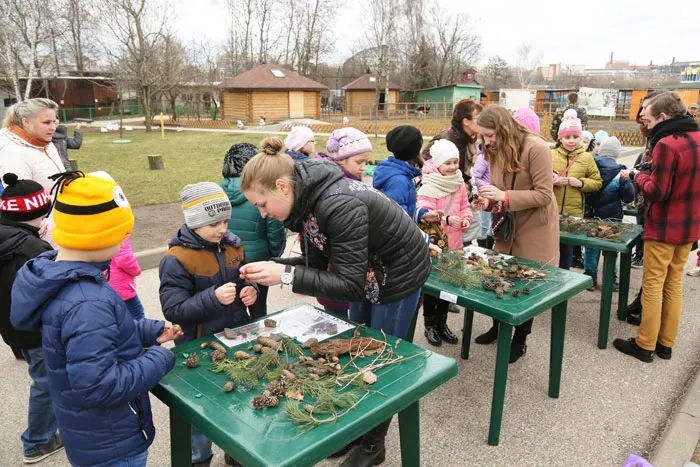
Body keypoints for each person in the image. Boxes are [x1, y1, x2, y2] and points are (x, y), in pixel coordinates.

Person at [238, 137, 432, 467]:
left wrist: (284, 276)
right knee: (356, 350)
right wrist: (278, 267)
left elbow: (349, 285)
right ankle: (358, 428)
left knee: (382, 357)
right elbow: (317, 267)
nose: (262, 214)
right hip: (366, 270)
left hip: (398, 273)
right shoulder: (303, 205)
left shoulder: (338, 205)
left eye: (262, 204)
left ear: (283, 187)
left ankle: (373, 444)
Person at [10, 170, 179, 467]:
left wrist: (148, 331)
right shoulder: (88, 301)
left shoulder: (63, 275)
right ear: (97, 237)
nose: (125, 242)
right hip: (112, 446)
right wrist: (158, 358)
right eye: (122, 235)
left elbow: (96, 335)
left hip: (90, 436)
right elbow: (99, 385)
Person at [159, 181, 257, 467]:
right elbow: (174, 309)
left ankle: (235, 447)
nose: (222, 228)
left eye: (225, 220)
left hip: (236, 337)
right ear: (195, 222)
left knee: (236, 396)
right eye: (213, 222)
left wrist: (250, 291)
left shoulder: (233, 246)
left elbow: (244, 281)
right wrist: (213, 298)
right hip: (198, 345)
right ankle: (198, 458)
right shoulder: (177, 259)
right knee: (200, 405)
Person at [614, 91, 700, 362]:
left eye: (649, 118)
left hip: (664, 226)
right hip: (689, 227)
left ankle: (645, 344)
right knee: (673, 285)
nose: (646, 123)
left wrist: (636, 175)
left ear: (663, 116)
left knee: (653, 285)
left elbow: (658, 191)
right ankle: (665, 344)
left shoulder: (667, 144)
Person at [473, 105, 559, 363]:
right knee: (499, 275)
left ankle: (520, 339)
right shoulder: (493, 149)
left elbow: (544, 194)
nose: (487, 141)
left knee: (526, 281)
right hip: (507, 223)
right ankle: (498, 328)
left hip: (535, 227)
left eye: (490, 135)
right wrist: (489, 202)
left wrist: (504, 197)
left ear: (504, 128)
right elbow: (499, 188)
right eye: (483, 136)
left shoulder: (537, 148)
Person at [0, 173, 61, 463]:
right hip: (36, 330)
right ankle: (38, 441)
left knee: (42, 377)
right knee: (46, 382)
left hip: (12, 327)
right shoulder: (34, 249)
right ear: (39, 213)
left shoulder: (6, 238)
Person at [417, 139, 472, 346]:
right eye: (448, 163)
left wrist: (466, 219)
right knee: (433, 288)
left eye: (455, 162)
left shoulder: (459, 184)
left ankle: (443, 323)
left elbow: (465, 207)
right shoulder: (430, 183)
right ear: (438, 163)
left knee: (449, 286)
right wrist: (446, 219)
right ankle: (430, 325)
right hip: (436, 245)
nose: (453, 167)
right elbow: (425, 211)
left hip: (455, 243)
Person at [221, 143, 286, 319]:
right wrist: (274, 258)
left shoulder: (218, 194)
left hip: (228, 264)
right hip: (258, 262)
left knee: (233, 307)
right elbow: (275, 234)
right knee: (258, 308)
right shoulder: (263, 194)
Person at [0, 99, 65, 245]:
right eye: (47, 122)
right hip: (43, 239)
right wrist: (46, 233)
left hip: (63, 224)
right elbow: (23, 209)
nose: (53, 127)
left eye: (55, 121)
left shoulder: (46, 144)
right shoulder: (13, 154)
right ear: (26, 122)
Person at [626, 90, 665, 324]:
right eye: (641, 107)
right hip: (645, 201)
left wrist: (636, 173)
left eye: (645, 108)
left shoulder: (665, 138)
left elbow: (659, 174)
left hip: (656, 203)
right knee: (651, 258)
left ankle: (648, 310)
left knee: (658, 269)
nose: (641, 113)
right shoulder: (651, 133)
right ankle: (643, 300)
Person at [552, 109, 602, 269]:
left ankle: (563, 288)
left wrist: (580, 183)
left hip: (573, 215)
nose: (571, 141)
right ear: (560, 138)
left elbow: (597, 182)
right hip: (551, 211)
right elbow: (538, 179)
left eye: (575, 137)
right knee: (550, 250)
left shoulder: (587, 157)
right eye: (567, 137)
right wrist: (553, 181)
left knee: (566, 252)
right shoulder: (551, 154)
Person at [582, 137, 635, 290]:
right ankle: (611, 280)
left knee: (591, 247)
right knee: (611, 247)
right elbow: (628, 196)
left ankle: (590, 278)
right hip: (612, 217)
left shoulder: (591, 167)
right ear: (617, 153)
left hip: (592, 214)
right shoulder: (621, 172)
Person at [108, 235, 145, 320]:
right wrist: (136, 270)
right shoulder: (119, 231)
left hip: (102, 287)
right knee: (137, 318)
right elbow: (124, 259)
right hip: (121, 289)